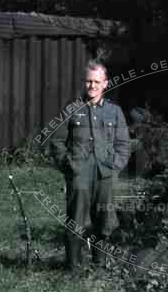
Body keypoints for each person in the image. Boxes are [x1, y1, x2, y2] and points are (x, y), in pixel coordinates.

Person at [50, 59, 130, 271]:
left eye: (97, 81)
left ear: (105, 83)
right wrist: (69, 166)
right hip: (80, 174)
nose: (92, 86)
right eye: (88, 81)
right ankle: (73, 267)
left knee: (104, 220)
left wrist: (115, 167)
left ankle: (99, 265)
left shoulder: (114, 112)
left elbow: (123, 144)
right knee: (76, 219)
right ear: (83, 83)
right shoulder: (72, 109)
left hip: (105, 175)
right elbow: (57, 141)